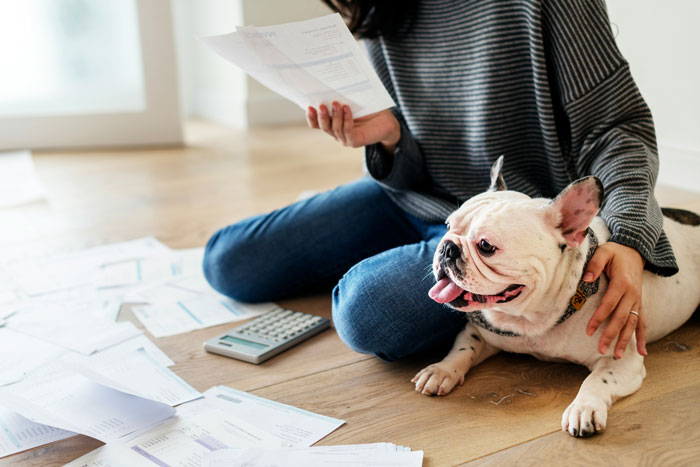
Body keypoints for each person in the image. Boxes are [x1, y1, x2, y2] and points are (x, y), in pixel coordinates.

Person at [203, 0, 678, 363]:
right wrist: (389, 139)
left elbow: (618, 128)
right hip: (415, 197)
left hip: (512, 227)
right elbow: (411, 152)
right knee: (227, 262)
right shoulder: (380, 6)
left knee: (366, 313)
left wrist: (631, 235)